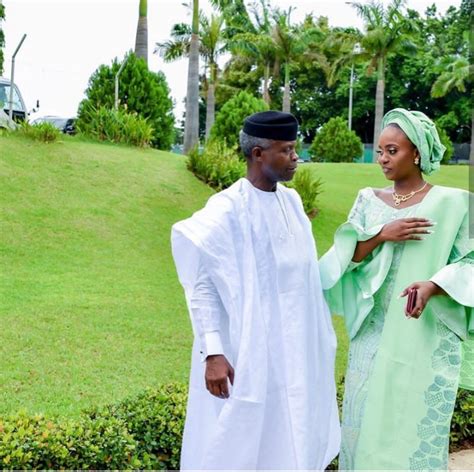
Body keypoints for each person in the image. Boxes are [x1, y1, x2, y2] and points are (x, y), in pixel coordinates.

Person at [171, 111, 340, 470]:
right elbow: (202, 287)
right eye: (287, 150)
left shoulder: (292, 203)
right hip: (247, 353)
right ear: (258, 153)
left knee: (292, 433)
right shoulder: (226, 210)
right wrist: (212, 352)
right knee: (240, 443)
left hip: (293, 353)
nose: (297, 158)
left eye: (296, 149)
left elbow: (307, 279)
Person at [319, 108, 474, 470]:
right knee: (364, 418)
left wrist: (435, 284)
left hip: (423, 332)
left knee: (410, 421)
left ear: (417, 152)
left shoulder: (454, 203)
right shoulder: (367, 199)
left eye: (393, 151)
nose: (384, 160)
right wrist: (381, 235)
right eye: (380, 151)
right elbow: (341, 260)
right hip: (371, 330)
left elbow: (470, 262)